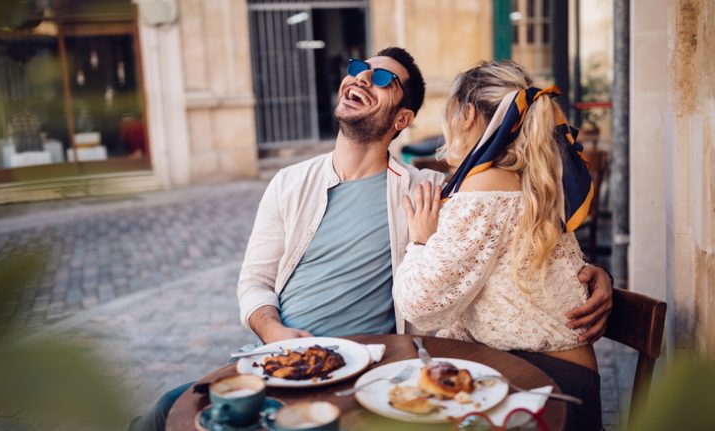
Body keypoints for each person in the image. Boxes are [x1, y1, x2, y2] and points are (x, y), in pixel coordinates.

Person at [129, 48, 613, 431]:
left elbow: (515, 237)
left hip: (370, 366)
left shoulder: (430, 190)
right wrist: (272, 332)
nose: (361, 78)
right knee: (167, 409)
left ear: (402, 120)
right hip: (287, 358)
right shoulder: (289, 183)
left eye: (383, 79)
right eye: (359, 69)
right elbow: (254, 280)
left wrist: (591, 274)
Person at [393, 60, 604, 430]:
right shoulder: (534, 179)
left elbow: (420, 307)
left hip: (542, 384)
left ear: (468, 114)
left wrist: (421, 241)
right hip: (569, 378)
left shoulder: (484, 187)